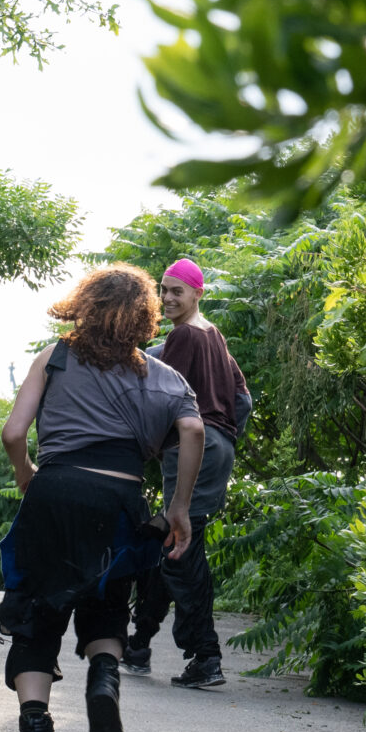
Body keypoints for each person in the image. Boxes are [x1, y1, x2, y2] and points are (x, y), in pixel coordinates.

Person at [0, 264, 205, 732]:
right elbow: (195, 430)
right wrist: (179, 508)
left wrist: (27, 474)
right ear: (145, 317)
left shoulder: (57, 356)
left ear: (85, 305)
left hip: (55, 490)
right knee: (106, 603)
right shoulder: (162, 376)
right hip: (118, 496)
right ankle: (104, 679)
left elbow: (12, 431)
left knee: (39, 613)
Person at [120, 257, 252, 689]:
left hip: (193, 445)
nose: (169, 298)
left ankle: (206, 656)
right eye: (165, 290)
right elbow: (243, 400)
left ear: (198, 293)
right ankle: (138, 645)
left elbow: (155, 396)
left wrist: (146, 448)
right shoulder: (214, 335)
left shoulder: (181, 337)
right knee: (169, 540)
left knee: (180, 547)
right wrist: (226, 442)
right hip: (217, 447)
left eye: (178, 290)